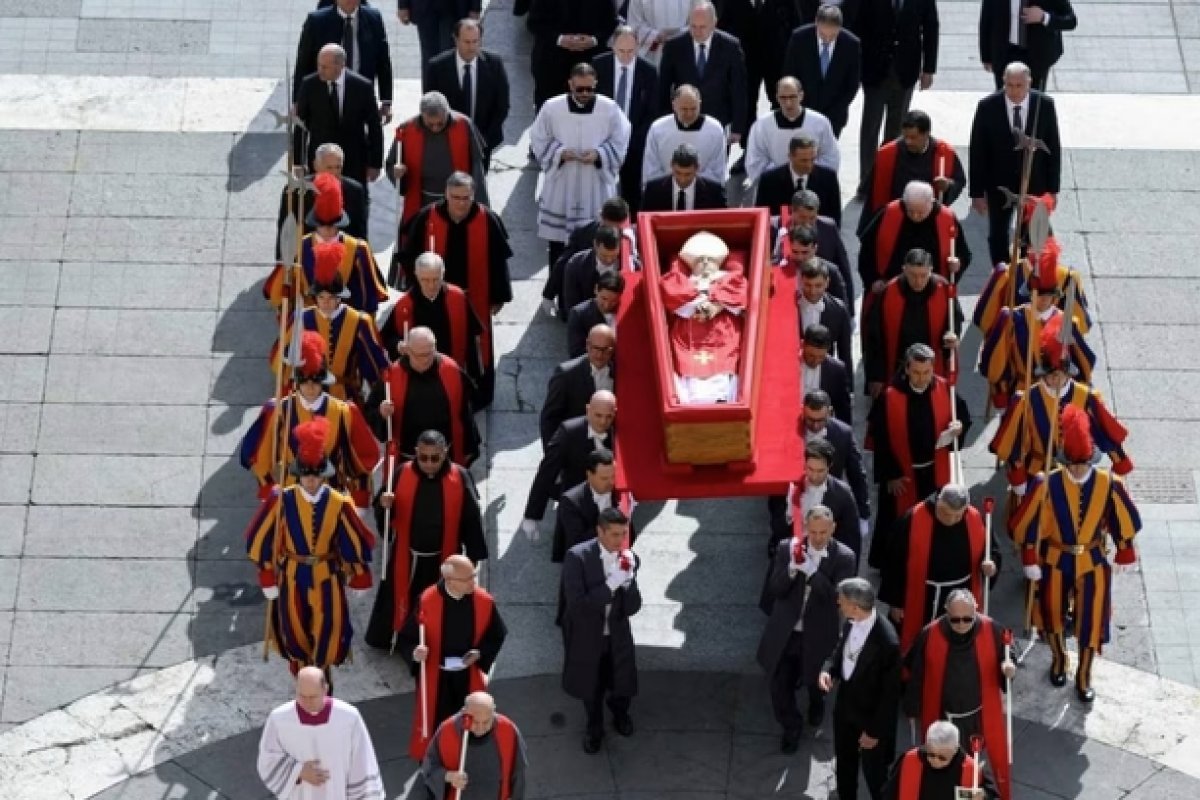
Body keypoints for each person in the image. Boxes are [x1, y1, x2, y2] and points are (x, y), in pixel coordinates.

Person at [1011, 405, 1141, 703]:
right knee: (1051, 614)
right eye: (1073, 464)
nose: (1078, 469)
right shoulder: (1047, 483)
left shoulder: (1109, 484)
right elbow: (1030, 522)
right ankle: (1059, 660)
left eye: (1082, 463)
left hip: (1093, 560)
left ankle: (1084, 675)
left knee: (1091, 621)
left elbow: (1123, 518)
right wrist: (1031, 556)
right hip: (1056, 558)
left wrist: (1125, 548)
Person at [245, 418, 375, 678]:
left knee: (331, 625)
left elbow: (353, 536)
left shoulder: (339, 502)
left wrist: (359, 569)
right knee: (293, 626)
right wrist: (266, 571)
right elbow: (260, 535)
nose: (312, 481)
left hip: (328, 572)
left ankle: (321, 671)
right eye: (307, 476)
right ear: (298, 474)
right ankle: (301, 668)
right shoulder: (280, 499)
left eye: (316, 476)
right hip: (292, 573)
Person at [395, 172, 514, 408]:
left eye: (466, 197)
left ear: (473, 195)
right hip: (434, 298)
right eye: (455, 197)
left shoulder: (487, 219)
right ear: (446, 195)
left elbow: (498, 261)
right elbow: (409, 258)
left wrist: (499, 296)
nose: (460, 203)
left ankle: (475, 396)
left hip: (475, 299)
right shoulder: (427, 217)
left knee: (475, 348)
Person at [364, 429, 488, 650]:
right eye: (423, 458)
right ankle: (397, 639)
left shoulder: (459, 477)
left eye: (435, 458)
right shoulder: (402, 472)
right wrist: (384, 506)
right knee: (400, 602)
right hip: (407, 556)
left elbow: (471, 518)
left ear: (445, 452)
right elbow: (384, 514)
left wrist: (474, 557)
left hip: (443, 559)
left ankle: (435, 643)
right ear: (415, 453)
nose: (429, 463)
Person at [758, 505, 857, 753]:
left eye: (823, 532)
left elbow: (837, 598)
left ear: (833, 528)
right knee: (779, 685)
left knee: (815, 681)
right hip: (787, 632)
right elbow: (775, 590)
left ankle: (817, 703)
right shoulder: (786, 548)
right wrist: (791, 569)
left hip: (819, 633)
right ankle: (791, 726)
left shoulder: (844, 557)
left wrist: (812, 573)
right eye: (813, 532)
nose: (818, 537)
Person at [241, 331, 378, 505]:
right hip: (290, 498)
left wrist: (359, 501)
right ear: (297, 382)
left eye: (316, 380)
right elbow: (258, 458)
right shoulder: (278, 410)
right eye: (305, 381)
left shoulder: (345, 411)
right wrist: (269, 492)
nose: (311, 386)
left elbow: (363, 461)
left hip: (333, 498)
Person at [865, 344, 971, 568]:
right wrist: (891, 475)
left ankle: (929, 559)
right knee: (897, 521)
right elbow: (880, 438)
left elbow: (962, 414)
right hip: (902, 474)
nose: (922, 378)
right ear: (906, 369)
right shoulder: (890, 395)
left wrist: (958, 426)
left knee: (933, 517)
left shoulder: (944, 389)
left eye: (926, 372)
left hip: (934, 470)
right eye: (916, 372)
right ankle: (895, 564)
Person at [903, 591, 1015, 800]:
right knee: (943, 764)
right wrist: (912, 706)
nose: (962, 624)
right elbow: (916, 672)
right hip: (943, 718)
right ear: (946, 613)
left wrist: (1008, 668)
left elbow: (1008, 655)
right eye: (955, 619)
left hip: (977, 718)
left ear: (976, 611)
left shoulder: (992, 630)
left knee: (973, 770)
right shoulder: (930, 633)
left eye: (968, 619)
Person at [990, 337, 1132, 499]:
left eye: (1059, 375)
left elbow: (1105, 434)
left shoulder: (1086, 397)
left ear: (1068, 373)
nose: (1054, 380)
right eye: (1050, 375)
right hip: (1036, 469)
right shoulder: (1026, 400)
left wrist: (1119, 461)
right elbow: (1014, 445)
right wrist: (1018, 478)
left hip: (1075, 470)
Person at [396, 555, 508, 759]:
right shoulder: (427, 600)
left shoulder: (483, 601)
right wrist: (416, 652)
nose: (474, 582)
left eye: (473, 576)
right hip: (437, 676)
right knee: (437, 722)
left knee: (470, 720)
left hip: (467, 673)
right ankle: (437, 765)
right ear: (450, 581)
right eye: (468, 579)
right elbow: (406, 637)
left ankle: (465, 758)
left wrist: (480, 653)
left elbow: (497, 634)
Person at [531, 63, 631, 269]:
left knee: (594, 244)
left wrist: (599, 154)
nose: (585, 93)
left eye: (589, 89)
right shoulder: (552, 107)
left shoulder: (609, 108)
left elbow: (622, 139)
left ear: (595, 84)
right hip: (562, 184)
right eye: (579, 89)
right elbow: (538, 139)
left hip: (594, 184)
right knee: (559, 248)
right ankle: (558, 292)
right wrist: (559, 153)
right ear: (570, 84)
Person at [879, 486, 999, 653]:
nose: (951, 520)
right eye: (945, 513)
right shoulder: (912, 519)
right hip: (924, 595)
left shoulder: (975, 518)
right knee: (919, 644)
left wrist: (991, 564)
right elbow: (893, 562)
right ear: (938, 502)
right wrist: (896, 602)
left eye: (958, 515)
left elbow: (992, 550)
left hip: (962, 592)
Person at [561, 507, 642, 753]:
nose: (620, 540)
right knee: (591, 685)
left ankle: (620, 714)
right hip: (588, 635)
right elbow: (577, 605)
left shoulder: (628, 558)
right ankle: (594, 727)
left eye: (623, 534)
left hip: (616, 634)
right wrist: (610, 585)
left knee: (621, 679)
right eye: (615, 534)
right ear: (600, 531)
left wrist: (628, 584)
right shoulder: (577, 557)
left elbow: (633, 607)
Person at [270, 239, 390, 403]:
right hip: (307, 395)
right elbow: (281, 360)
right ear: (315, 297)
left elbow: (374, 364)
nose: (326, 302)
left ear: (340, 297)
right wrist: (289, 357)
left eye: (331, 297)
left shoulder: (358, 321)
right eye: (321, 297)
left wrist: (381, 395)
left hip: (345, 396)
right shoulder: (301, 319)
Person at [968, 62, 1062, 264]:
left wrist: (1053, 190)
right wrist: (976, 193)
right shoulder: (987, 107)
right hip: (999, 185)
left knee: (1033, 235)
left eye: (1019, 85)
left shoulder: (1044, 105)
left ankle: (1027, 275)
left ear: (1029, 83)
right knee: (998, 235)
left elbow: (1053, 148)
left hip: (1035, 183)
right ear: (1003, 82)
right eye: (1009, 85)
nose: (1014, 90)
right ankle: (1002, 278)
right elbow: (978, 151)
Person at [819, 577, 901, 800]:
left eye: (842, 601)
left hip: (870, 720)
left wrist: (874, 732)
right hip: (846, 711)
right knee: (845, 766)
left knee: (875, 776)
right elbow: (840, 649)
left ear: (855, 606)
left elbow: (889, 695)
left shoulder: (887, 642)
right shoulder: (851, 620)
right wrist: (829, 670)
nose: (838, 603)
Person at [266, 172, 388, 316]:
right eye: (322, 225)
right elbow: (277, 293)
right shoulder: (298, 248)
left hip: (346, 325)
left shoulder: (358, 249)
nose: (327, 231)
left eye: (332, 225)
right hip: (309, 323)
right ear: (315, 224)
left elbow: (368, 298)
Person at [256, 667, 384, 800]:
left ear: (325, 689)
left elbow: (362, 761)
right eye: (302, 696)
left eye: (312, 697)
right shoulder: (279, 719)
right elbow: (267, 758)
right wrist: (298, 772)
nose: (306, 703)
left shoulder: (349, 717)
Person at [972, 197, 1090, 337]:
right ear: (1027, 248)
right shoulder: (1006, 275)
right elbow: (985, 319)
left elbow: (1080, 325)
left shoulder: (1068, 279)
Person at [364, 327, 481, 465]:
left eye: (429, 353)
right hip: (406, 459)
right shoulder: (391, 376)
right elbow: (370, 411)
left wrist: (470, 448)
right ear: (407, 350)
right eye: (419, 355)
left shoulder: (452, 370)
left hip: (445, 457)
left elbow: (465, 411)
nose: (425, 360)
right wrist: (381, 413)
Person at [855, 0, 939, 188]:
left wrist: (928, 69)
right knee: (871, 126)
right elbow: (858, 25)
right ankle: (867, 181)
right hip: (874, 69)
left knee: (897, 128)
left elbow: (931, 27)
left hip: (905, 70)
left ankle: (888, 178)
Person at [384, 252, 486, 405]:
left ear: (443, 274)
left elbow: (472, 338)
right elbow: (387, 337)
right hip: (417, 377)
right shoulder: (404, 306)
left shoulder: (457, 298)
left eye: (436, 279)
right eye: (425, 280)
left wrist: (474, 376)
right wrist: (399, 345)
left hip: (450, 371)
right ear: (416, 276)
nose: (431, 286)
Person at [858, 182, 969, 320]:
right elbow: (866, 250)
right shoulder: (888, 213)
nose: (915, 216)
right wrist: (872, 280)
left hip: (933, 295)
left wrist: (958, 263)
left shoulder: (947, 219)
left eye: (921, 212)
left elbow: (964, 254)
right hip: (890, 293)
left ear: (931, 202)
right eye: (910, 211)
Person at [977, 282, 1095, 411]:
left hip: (1055, 391)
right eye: (1039, 294)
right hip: (1023, 388)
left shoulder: (1066, 322)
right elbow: (996, 358)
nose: (1044, 299)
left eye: (1048, 295)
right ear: (1031, 294)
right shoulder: (1013, 320)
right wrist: (1000, 389)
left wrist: (1079, 390)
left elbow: (1083, 360)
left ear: (1054, 296)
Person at [661, 231, 747, 404]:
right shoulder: (684, 280)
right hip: (688, 330)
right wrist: (699, 303)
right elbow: (672, 294)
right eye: (700, 260)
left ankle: (722, 401)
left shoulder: (729, 279)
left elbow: (740, 293)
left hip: (722, 332)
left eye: (710, 260)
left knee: (721, 372)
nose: (706, 263)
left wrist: (716, 306)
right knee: (691, 374)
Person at [389, 93, 490, 236]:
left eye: (440, 123)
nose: (435, 128)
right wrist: (397, 172)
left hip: (458, 201)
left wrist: (481, 207)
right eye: (430, 124)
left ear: (447, 113)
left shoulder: (463, 125)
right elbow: (392, 163)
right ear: (422, 116)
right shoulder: (407, 129)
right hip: (422, 202)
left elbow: (477, 169)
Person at [863, 250, 962, 393]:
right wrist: (876, 377)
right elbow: (874, 338)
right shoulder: (888, 292)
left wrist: (952, 337)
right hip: (896, 367)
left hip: (931, 370)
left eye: (923, 275)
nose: (918, 281)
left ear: (931, 270)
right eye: (913, 275)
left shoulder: (944, 289)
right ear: (904, 270)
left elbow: (954, 322)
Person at [524, 391, 617, 535]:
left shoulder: (618, 431)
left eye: (608, 417)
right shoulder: (569, 432)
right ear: (588, 410)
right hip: (577, 505)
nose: (603, 422)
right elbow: (547, 471)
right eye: (598, 415)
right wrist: (532, 515)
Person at [656, 1, 749, 144]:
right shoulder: (674, 47)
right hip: (682, 121)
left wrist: (737, 127)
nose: (697, 32)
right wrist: (666, 122)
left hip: (718, 123)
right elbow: (663, 88)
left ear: (714, 23)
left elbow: (739, 89)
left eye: (702, 27)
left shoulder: (730, 47)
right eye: (693, 26)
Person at [422, 18, 511, 168]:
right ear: (456, 40)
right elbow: (431, 106)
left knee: (477, 187)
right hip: (447, 143)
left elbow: (502, 106)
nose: (471, 47)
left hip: (483, 143)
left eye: (475, 41)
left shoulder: (494, 64)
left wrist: (484, 141)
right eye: (467, 42)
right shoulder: (437, 67)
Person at [294, 44, 383, 189]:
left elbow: (374, 126)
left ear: (340, 65)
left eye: (325, 67)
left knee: (355, 201)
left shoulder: (362, 87)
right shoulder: (310, 85)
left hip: (354, 159)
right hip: (322, 160)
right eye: (319, 65)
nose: (320, 70)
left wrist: (375, 163)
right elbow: (300, 124)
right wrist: (298, 161)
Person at [594, 25, 660, 214]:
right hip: (603, 141)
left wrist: (633, 140)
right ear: (613, 46)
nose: (626, 56)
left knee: (632, 192)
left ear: (637, 47)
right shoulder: (599, 66)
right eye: (621, 51)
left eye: (631, 51)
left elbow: (652, 112)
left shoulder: (649, 72)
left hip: (635, 142)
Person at [860, 111, 964, 230]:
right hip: (895, 223)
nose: (908, 142)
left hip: (929, 222)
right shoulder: (887, 154)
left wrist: (948, 186)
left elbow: (959, 180)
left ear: (926, 134)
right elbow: (874, 195)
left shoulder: (944, 153)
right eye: (905, 137)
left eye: (913, 138)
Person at [417, 692, 528, 800]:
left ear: (493, 712)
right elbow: (429, 766)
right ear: (464, 712)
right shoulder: (447, 730)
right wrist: (448, 776)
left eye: (486, 722)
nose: (480, 728)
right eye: (475, 721)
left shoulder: (508, 729)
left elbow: (519, 770)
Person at [295, 0, 393, 120]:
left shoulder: (373, 19)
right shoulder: (316, 21)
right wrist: (298, 100)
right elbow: (303, 64)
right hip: (326, 96)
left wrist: (386, 101)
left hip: (360, 95)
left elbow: (383, 62)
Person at [774, 439, 864, 564]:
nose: (814, 476)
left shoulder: (842, 494)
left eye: (820, 471)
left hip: (826, 563)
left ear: (829, 466)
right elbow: (777, 527)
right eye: (810, 469)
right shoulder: (789, 487)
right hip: (792, 558)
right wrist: (789, 512)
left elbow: (851, 538)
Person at [275, 143, 367, 263]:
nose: (334, 173)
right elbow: (286, 231)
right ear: (316, 166)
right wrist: (282, 263)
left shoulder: (355, 191)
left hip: (343, 260)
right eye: (329, 168)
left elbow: (359, 233)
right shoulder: (296, 191)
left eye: (338, 167)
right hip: (305, 261)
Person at [782, 6, 862, 137]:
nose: (827, 40)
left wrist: (835, 111)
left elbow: (852, 84)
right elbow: (790, 75)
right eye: (823, 35)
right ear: (816, 23)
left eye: (833, 35)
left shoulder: (851, 44)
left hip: (834, 116)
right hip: (801, 111)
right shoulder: (799, 38)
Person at [526, 0, 619, 110]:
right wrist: (560, 39)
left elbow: (610, 22)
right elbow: (534, 22)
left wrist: (594, 40)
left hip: (590, 63)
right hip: (551, 64)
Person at [745, 79, 840, 181]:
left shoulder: (820, 122)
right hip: (775, 185)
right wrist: (781, 176)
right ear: (777, 97)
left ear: (801, 96)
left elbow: (830, 156)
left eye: (792, 97)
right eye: (783, 98)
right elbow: (755, 160)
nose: (788, 103)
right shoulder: (762, 125)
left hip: (812, 183)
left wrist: (805, 173)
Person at [798, 390, 871, 519]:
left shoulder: (843, 434)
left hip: (830, 508)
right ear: (803, 411)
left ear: (830, 412)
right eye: (810, 420)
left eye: (820, 420)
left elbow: (856, 474)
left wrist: (863, 513)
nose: (815, 426)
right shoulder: (790, 432)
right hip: (796, 502)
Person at [550, 448, 634, 561]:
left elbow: (629, 530)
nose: (611, 482)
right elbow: (577, 541)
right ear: (589, 475)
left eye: (613, 476)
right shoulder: (571, 501)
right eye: (604, 478)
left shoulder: (618, 493)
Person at [883, 721, 998, 799]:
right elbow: (889, 793)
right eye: (931, 754)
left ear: (955, 750)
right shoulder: (910, 760)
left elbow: (991, 795)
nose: (935, 761)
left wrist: (983, 796)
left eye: (942, 757)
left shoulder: (970, 769)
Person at [541, 324, 616, 443]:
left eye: (605, 349)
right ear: (587, 345)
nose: (599, 355)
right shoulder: (566, 374)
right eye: (596, 348)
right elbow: (550, 419)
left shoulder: (619, 373)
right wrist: (553, 453)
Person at [642, 85, 728, 188]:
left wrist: (691, 183)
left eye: (693, 108)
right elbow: (651, 168)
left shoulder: (715, 130)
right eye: (684, 109)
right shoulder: (658, 129)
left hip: (704, 192)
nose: (689, 114)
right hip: (665, 192)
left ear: (700, 104)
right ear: (674, 105)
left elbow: (718, 169)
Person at [978, 0, 1076, 89]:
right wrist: (986, 56)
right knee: (1004, 103)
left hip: (1037, 57)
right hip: (1004, 54)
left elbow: (1071, 20)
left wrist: (1044, 17)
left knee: (1035, 104)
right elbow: (986, 19)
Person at [784, 189, 853, 307]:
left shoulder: (828, 227)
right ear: (792, 212)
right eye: (802, 217)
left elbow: (843, 266)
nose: (807, 222)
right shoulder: (777, 229)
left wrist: (848, 310)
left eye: (812, 218)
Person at [755, 134, 841, 226]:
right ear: (790, 156)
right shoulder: (769, 180)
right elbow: (762, 217)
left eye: (812, 160)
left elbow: (835, 218)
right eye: (803, 160)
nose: (809, 165)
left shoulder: (828, 178)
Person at [556, 225, 624, 320]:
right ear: (595, 245)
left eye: (613, 256)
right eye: (604, 256)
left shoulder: (627, 263)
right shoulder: (576, 265)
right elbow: (572, 305)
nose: (609, 260)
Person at [640, 142, 728, 212]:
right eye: (678, 173)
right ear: (671, 165)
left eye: (688, 174)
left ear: (697, 168)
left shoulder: (714, 191)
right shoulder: (654, 190)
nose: (682, 179)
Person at [398, 0, 480, 69]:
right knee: (429, 57)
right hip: (425, 8)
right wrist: (403, 5)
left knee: (450, 55)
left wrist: (475, 7)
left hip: (454, 9)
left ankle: (449, 87)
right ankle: (430, 87)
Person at [799, 325, 852, 426]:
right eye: (811, 356)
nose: (816, 361)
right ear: (803, 345)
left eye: (821, 357)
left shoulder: (836, 370)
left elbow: (843, 408)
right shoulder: (790, 363)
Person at [567, 271, 625, 358]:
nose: (607, 305)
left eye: (614, 301)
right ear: (596, 289)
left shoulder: (623, 310)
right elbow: (576, 352)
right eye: (603, 298)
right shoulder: (579, 314)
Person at [627, 0, 693, 65]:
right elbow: (633, 25)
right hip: (652, 52)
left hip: (682, 51)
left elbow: (698, 19)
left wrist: (678, 35)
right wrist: (656, 36)